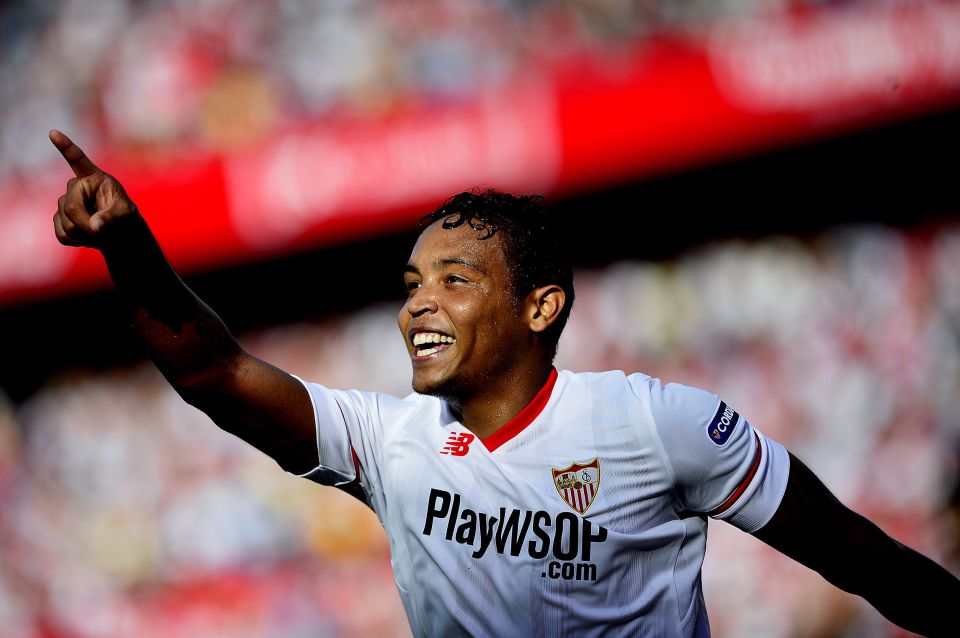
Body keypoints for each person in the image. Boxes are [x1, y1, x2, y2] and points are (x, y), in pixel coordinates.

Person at [49, 129, 958, 637]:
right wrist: (129, 248)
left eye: (455, 280)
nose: (419, 307)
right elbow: (213, 370)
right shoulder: (389, 442)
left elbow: (858, 556)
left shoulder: (657, 424)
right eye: (411, 286)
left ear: (539, 307)